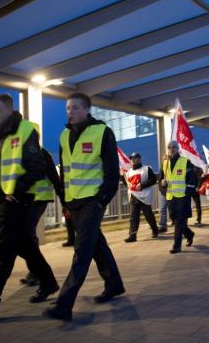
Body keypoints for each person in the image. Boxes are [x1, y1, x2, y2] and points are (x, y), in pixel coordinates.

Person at [0, 93, 59, 324]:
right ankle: (48, 282)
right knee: (25, 246)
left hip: (15, 203)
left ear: (9, 110)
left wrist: (15, 194)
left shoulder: (25, 131)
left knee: (3, 253)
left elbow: (37, 167)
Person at [44, 92, 125, 322]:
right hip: (74, 202)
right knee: (96, 244)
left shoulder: (102, 132)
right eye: (68, 108)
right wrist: (65, 199)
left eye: (75, 108)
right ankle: (114, 284)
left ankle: (64, 303)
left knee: (82, 252)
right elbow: (66, 172)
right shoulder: (63, 136)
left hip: (92, 201)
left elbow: (112, 173)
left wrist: (101, 200)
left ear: (87, 110)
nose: (70, 112)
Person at [19, 148, 65, 289]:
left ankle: (39, 274)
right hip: (24, 200)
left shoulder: (41, 153)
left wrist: (64, 202)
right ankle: (36, 272)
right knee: (25, 237)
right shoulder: (16, 150)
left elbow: (53, 175)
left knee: (26, 235)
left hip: (39, 199)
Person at [158, 140, 197, 253]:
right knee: (175, 219)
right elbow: (160, 179)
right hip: (170, 196)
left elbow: (192, 178)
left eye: (174, 147)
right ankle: (189, 234)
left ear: (178, 148)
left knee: (179, 221)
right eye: (169, 147)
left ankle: (177, 246)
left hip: (182, 196)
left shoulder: (185, 161)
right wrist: (162, 185)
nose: (171, 149)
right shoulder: (165, 163)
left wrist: (188, 193)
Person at [123, 152, 159, 243]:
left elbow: (154, 180)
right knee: (133, 217)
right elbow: (127, 184)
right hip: (134, 196)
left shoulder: (146, 169)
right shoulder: (128, 172)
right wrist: (121, 176)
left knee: (148, 215)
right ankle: (132, 235)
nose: (132, 160)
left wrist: (142, 185)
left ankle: (155, 230)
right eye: (131, 158)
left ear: (139, 159)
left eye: (134, 158)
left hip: (144, 196)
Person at [157, 154, 169, 233]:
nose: (165, 161)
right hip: (164, 192)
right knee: (162, 209)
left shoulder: (172, 167)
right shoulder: (162, 168)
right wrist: (162, 186)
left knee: (173, 210)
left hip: (173, 192)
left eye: (167, 159)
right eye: (164, 159)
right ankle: (163, 225)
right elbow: (159, 180)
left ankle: (180, 223)